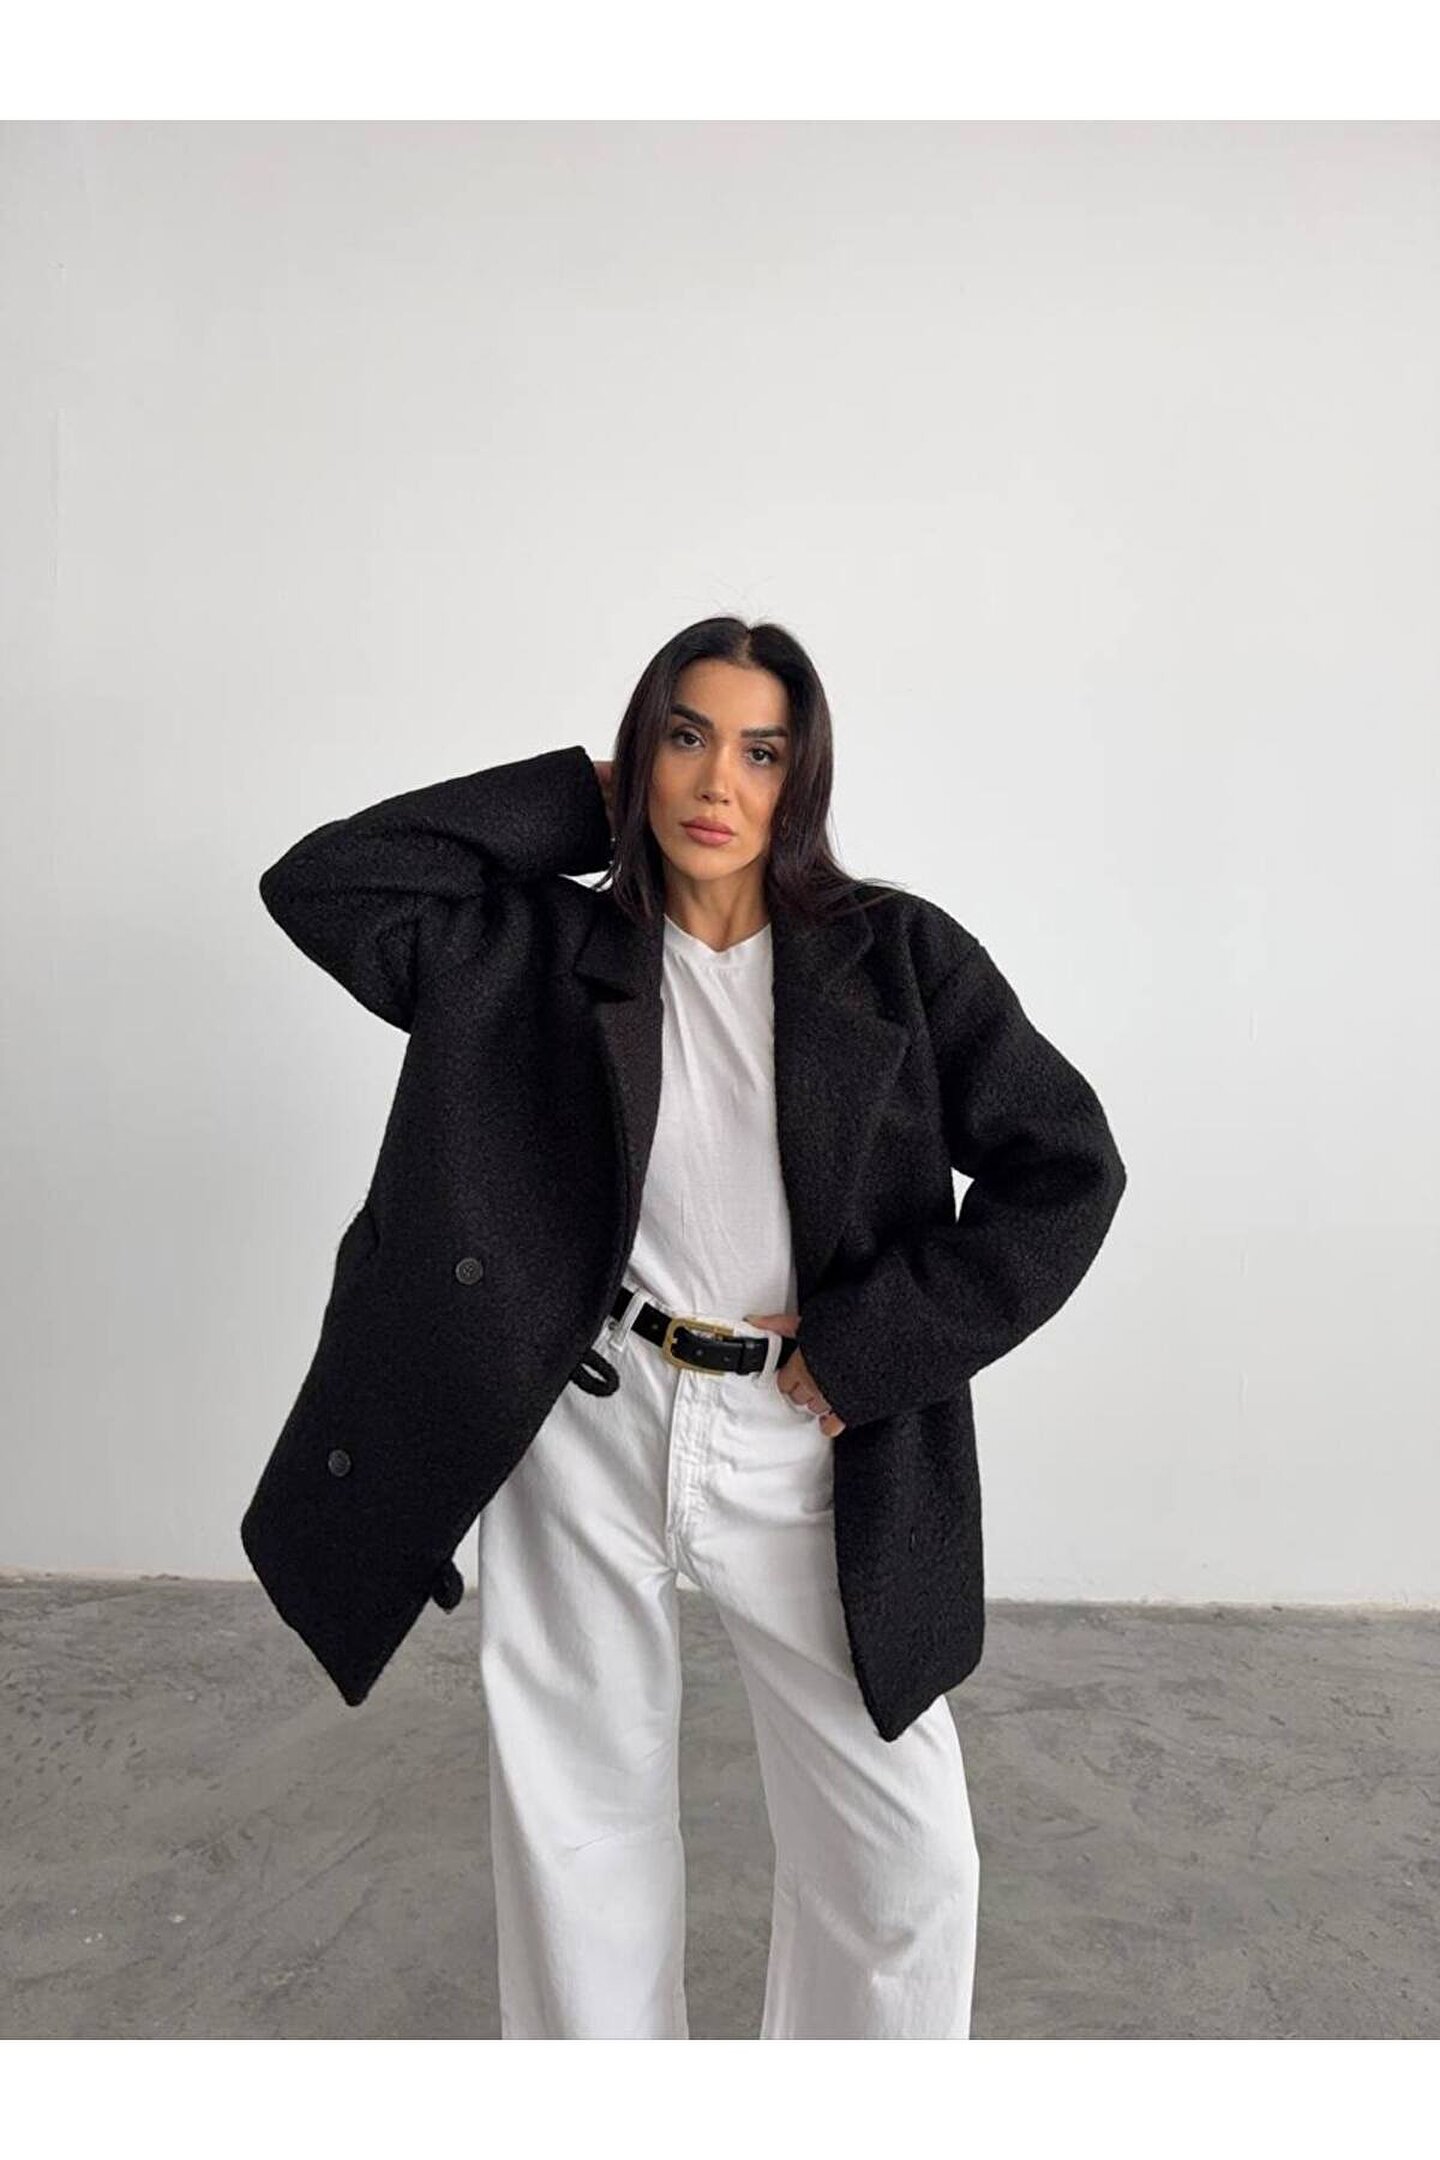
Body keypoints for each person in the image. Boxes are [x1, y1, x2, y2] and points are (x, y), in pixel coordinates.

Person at [246, 612, 1127, 2041]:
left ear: (803, 779)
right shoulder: (535, 950)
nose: (720, 782)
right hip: (587, 1418)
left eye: (761, 753)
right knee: (577, 1837)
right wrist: (571, 802)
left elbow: (1069, 1170)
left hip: (806, 1427)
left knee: (903, 1861)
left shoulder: (895, 958)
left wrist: (873, 1346)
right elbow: (325, 884)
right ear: (640, 754)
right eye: (686, 738)